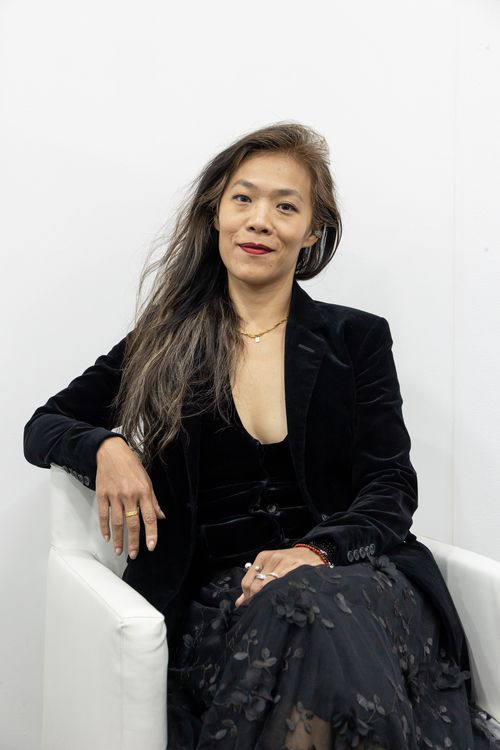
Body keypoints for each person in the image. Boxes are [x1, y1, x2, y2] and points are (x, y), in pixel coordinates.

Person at [23, 123, 498, 750]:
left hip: (355, 578)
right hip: (230, 605)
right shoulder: (164, 342)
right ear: (215, 213)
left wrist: (316, 552)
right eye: (243, 199)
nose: (259, 221)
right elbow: (44, 425)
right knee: (300, 618)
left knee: (314, 608)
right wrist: (106, 446)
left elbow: (390, 487)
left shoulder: (355, 339)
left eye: (286, 206)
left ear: (312, 231)